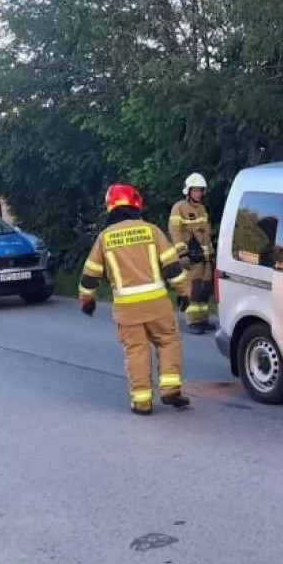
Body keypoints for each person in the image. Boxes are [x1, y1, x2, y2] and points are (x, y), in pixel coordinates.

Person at [79, 183, 191, 414]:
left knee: (136, 351)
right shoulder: (151, 231)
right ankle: (170, 389)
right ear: (136, 204)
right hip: (157, 304)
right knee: (168, 341)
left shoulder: (104, 238)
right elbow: (172, 267)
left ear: (110, 208)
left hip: (127, 309)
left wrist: (87, 300)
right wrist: (184, 293)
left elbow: (90, 274)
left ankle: (142, 402)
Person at [169, 172, 214, 334]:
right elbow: (175, 232)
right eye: (195, 190)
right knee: (193, 287)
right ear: (188, 191)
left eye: (200, 190)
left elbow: (206, 232)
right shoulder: (179, 208)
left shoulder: (202, 208)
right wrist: (182, 253)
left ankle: (202, 319)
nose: (198, 193)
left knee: (205, 287)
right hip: (191, 255)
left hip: (205, 256)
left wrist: (211, 253)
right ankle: (192, 321)